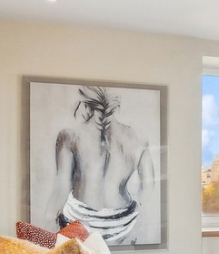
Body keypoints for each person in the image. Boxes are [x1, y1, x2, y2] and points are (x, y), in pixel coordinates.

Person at [43, 86, 156, 245]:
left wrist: (46, 231)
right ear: (117, 104)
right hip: (123, 222)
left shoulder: (69, 135)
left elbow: (61, 186)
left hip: (77, 221)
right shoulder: (138, 138)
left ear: (86, 104)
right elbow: (149, 187)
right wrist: (143, 226)